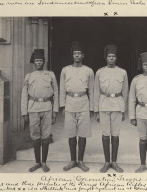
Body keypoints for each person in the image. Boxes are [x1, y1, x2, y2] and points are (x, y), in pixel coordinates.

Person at [21, 49, 59, 172]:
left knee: (46, 136)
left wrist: (55, 111)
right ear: (34, 62)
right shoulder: (29, 76)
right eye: (37, 61)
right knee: (36, 136)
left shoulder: (50, 75)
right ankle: (37, 162)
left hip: (47, 107)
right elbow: (24, 95)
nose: (39, 63)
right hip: (33, 109)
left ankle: (44, 163)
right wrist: (24, 112)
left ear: (44, 62)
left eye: (41, 61)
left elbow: (56, 93)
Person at [60, 42, 94, 172]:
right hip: (69, 103)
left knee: (83, 134)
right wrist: (62, 106)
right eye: (75, 54)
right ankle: (72, 160)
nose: (77, 56)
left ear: (83, 55)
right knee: (71, 134)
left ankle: (80, 161)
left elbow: (91, 90)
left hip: (83, 102)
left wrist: (91, 108)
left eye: (79, 53)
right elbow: (62, 89)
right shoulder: (65, 70)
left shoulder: (88, 71)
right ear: (72, 56)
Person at [94, 45, 129, 173]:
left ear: (116, 58)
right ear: (106, 58)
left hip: (117, 105)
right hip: (103, 104)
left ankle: (114, 162)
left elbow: (125, 92)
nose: (111, 58)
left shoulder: (123, 72)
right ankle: (106, 162)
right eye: (109, 56)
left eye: (113, 56)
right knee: (105, 134)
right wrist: (96, 111)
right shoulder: (99, 72)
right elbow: (96, 92)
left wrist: (124, 109)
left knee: (115, 134)